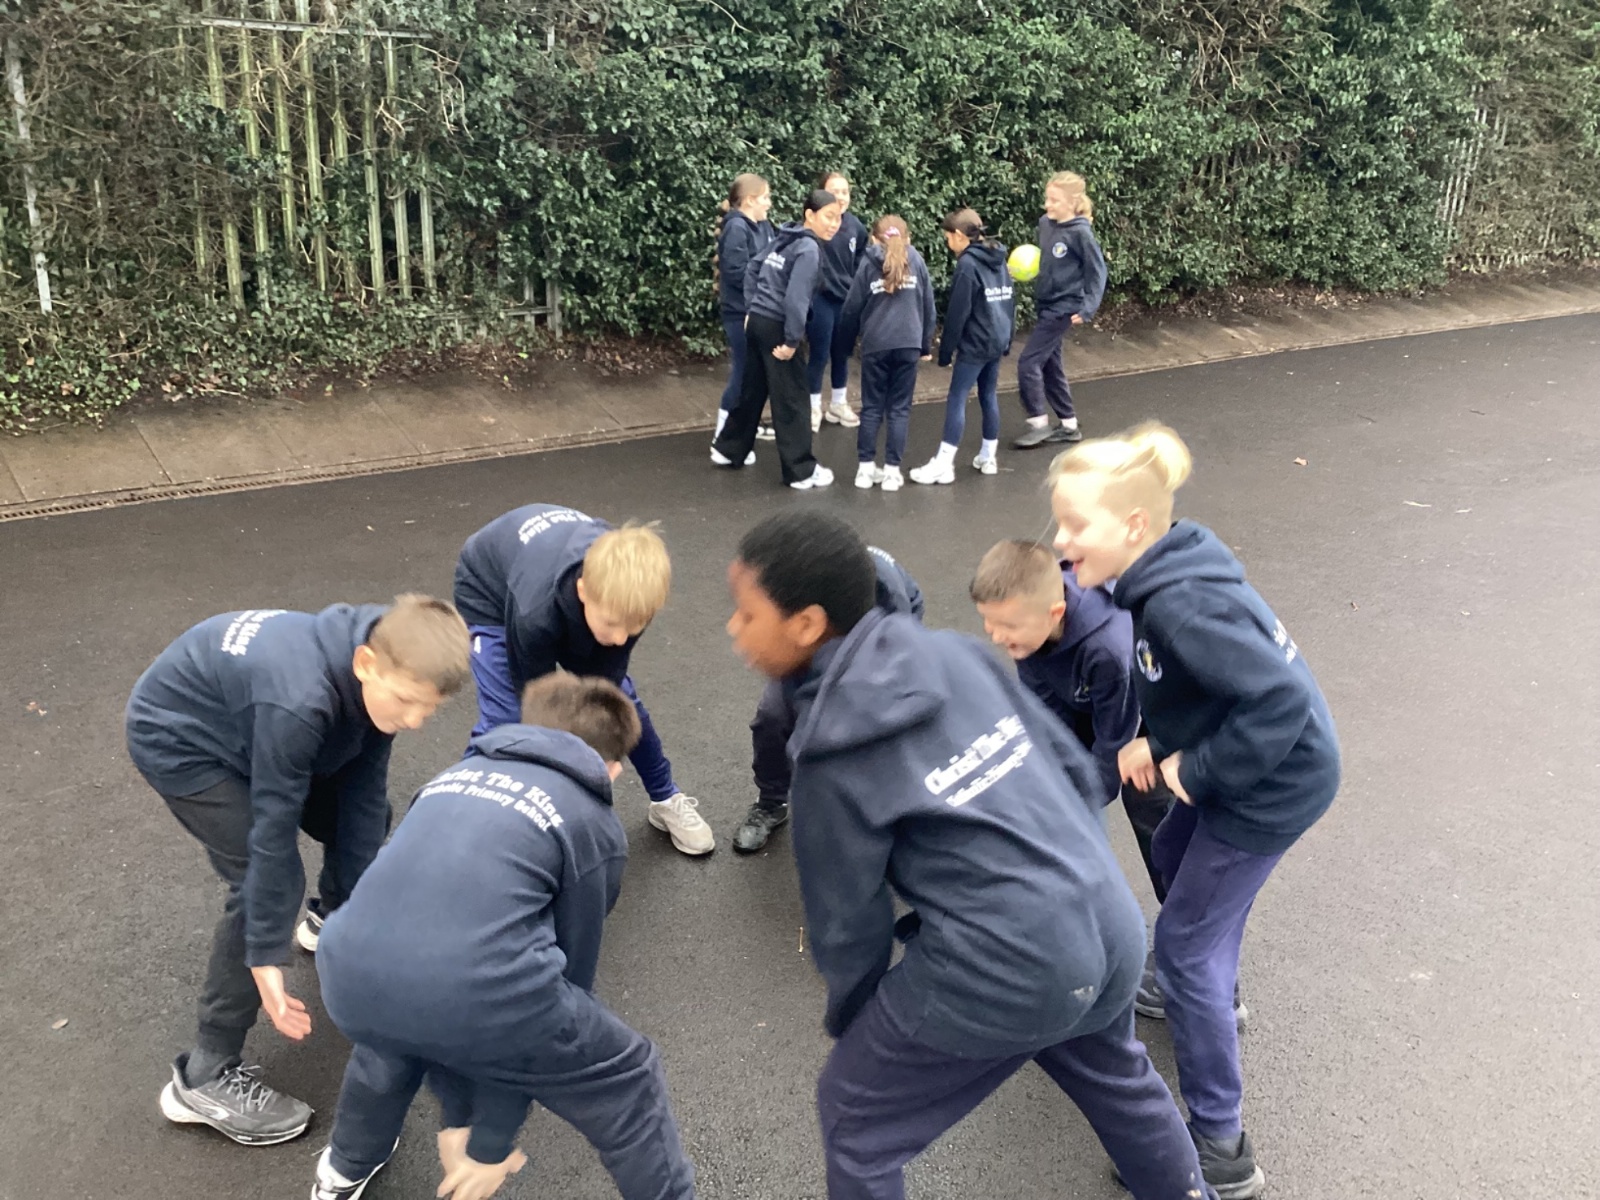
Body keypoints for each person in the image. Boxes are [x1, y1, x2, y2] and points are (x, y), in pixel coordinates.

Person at [723, 510, 1218, 1200]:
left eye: (747, 614)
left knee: (855, 1119)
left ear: (806, 624)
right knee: (1118, 1078)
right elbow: (1072, 773)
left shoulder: (831, 752)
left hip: (1012, 963)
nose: (734, 629)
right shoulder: (957, 655)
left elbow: (848, 926)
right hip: (1107, 919)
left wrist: (863, 1024)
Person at [1050, 422, 1341, 1199]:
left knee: (1185, 945)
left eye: (1074, 526)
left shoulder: (1182, 603)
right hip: (1245, 765)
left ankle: (1220, 1146)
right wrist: (1159, 740)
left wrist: (1197, 766)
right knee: (1176, 855)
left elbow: (1276, 704)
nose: (1061, 542)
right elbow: (1200, 684)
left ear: (1133, 526)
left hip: (1273, 785)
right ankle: (1207, 983)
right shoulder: (1163, 573)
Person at [310, 673, 697, 1200]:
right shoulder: (591, 823)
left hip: (347, 968)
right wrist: (489, 1139)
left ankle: (342, 1170)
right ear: (612, 766)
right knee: (628, 1077)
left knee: (395, 1026)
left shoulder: (450, 778)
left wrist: (462, 1118)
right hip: (475, 993)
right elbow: (555, 995)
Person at [125, 596, 471, 1146]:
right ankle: (204, 1074)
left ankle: (330, 923)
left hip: (254, 722)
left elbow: (361, 799)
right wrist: (265, 954)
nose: (413, 720)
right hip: (182, 739)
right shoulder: (300, 703)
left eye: (427, 710)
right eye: (407, 703)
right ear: (364, 664)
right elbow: (272, 829)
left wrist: (359, 925)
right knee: (266, 880)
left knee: (361, 818)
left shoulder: (386, 662)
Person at [452, 504, 714, 856]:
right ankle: (464, 815)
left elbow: (605, 696)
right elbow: (540, 706)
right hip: (491, 590)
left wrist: (601, 741)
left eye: (632, 627)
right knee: (507, 721)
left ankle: (666, 797)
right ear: (583, 591)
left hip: (559, 587)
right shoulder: (534, 615)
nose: (620, 638)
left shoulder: (630, 602)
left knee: (620, 704)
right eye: (612, 625)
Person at [731, 544, 924, 853]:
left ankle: (883, 810)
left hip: (879, 633)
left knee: (871, 723)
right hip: (811, 636)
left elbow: (896, 645)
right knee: (773, 716)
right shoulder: (784, 581)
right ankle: (771, 802)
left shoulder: (882, 586)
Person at [711, 189, 843, 490]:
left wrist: (752, 307)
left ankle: (728, 448)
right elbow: (796, 298)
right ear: (810, 215)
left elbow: (754, 267)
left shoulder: (785, 236)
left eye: (838, 218)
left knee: (753, 388)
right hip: (778, 326)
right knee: (792, 398)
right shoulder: (808, 249)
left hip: (758, 321)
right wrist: (792, 340)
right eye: (828, 217)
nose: (834, 224)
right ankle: (801, 471)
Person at [909, 209, 1014, 485]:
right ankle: (988, 457)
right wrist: (1008, 338)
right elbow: (1009, 300)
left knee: (957, 397)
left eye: (948, 238)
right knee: (988, 394)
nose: (947, 244)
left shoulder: (967, 265)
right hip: (997, 339)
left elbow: (958, 313)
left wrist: (945, 352)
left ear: (958, 235)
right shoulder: (998, 257)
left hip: (975, 343)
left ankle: (944, 464)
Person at [834, 214, 935, 492]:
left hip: (876, 343)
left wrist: (844, 345)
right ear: (907, 237)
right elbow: (928, 305)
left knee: (872, 407)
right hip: (908, 343)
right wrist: (924, 345)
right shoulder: (916, 260)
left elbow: (851, 308)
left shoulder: (868, 263)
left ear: (873, 239)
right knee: (899, 409)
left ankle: (865, 470)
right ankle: (892, 472)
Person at [1014, 171, 1107, 450]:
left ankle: (1038, 423)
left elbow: (1097, 272)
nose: (1047, 205)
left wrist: (1088, 307)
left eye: (1054, 200)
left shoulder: (1080, 233)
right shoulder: (1045, 224)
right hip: (1045, 303)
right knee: (1051, 366)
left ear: (1072, 202)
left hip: (1064, 307)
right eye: (1047, 199)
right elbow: (1044, 262)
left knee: (1028, 363)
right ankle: (1068, 426)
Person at [714, 173, 776, 442]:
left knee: (754, 375)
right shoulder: (737, 229)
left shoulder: (764, 226)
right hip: (740, 313)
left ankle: (745, 427)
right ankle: (722, 436)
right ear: (750, 200)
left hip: (758, 310)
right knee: (742, 373)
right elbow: (737, 273)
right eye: (765, 198)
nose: (769, 203)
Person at [806, 170, 869, 432]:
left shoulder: (855, 226)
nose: (841, 197)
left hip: (845, 301)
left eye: (845, 191)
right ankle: (812, 406)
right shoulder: (816, 227)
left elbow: (862, 257)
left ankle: (838, 403)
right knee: (819, 354)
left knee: (842, 353)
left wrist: (855, 286)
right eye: (834, 191)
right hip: (820, 300)